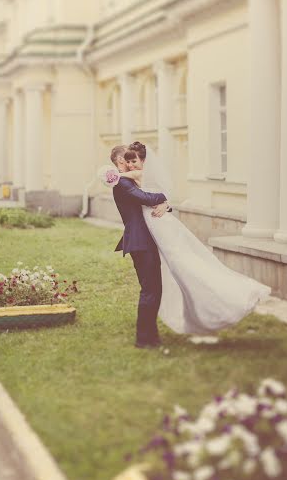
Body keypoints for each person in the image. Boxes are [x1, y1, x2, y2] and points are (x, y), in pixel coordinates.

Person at [121, 141, 271, 335]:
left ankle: (233, 297)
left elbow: (144, 190)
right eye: (129, 162)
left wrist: (113, 175)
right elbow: (154, 195)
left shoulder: (138, 175)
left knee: (187, 267)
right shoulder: (140, 179)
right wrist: (165, 202)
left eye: (134, 161)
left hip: (162, 228)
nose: (131, 165)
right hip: (155, 228)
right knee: (181, 273)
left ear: (144, 160)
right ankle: (198, 316)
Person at [110, 145, 171, 348]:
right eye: (125, 159)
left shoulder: (130, 181)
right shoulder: (122, 182)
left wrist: (166, 204)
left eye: (131, 159)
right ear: (119, 162)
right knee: (150, 289)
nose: (129, 163)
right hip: (140, 242)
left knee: (154, 288)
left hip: (145, 240)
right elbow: (146, 198)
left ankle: (150, 335)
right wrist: (166, 197)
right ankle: (144, 339)